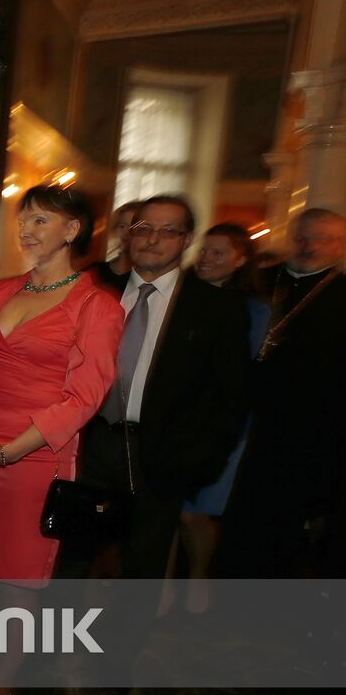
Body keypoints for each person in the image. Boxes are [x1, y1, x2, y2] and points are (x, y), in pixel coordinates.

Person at [0, 185, 122, 695]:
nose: (27, 229)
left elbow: (84, 398)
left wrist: (3, 453)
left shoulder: (98, 306)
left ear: (73, 231)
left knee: (18, 583)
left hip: (33, 456)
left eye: (42, 220)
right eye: (24, 219)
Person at [74, 198, 249, 583]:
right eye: (143, 229)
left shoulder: (216, 309)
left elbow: (230, 397)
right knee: (71, 558)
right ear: (129, 234)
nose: (153, 240)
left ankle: (126, 643)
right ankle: (60, 639)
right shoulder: (94, 292)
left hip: (162, 454)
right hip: (89, 447)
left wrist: (197, 463)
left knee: (143, 567)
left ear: (186, 239)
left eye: (168, 231)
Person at [221, 208, 346, 577]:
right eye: (304, 236)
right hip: (238, 419)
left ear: (340, 246)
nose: (310, 246)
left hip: (302, 431)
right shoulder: (255, 283)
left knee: (280, 522)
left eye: (323, 238)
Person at [179, 223, 269, 609]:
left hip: (222, 426)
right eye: (204, 250)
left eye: (218, 253)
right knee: (170, 510)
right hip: (176, 421)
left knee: (195, 513)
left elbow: (240, 371)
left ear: (240, 259)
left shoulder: (254, 309)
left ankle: (199, 577)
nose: (207, 259)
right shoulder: (180, 296)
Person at [93, 199, 141, 290]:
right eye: (122, 226)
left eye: (134, 227)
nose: (127, 232)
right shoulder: (95, 271)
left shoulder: (143, 281)